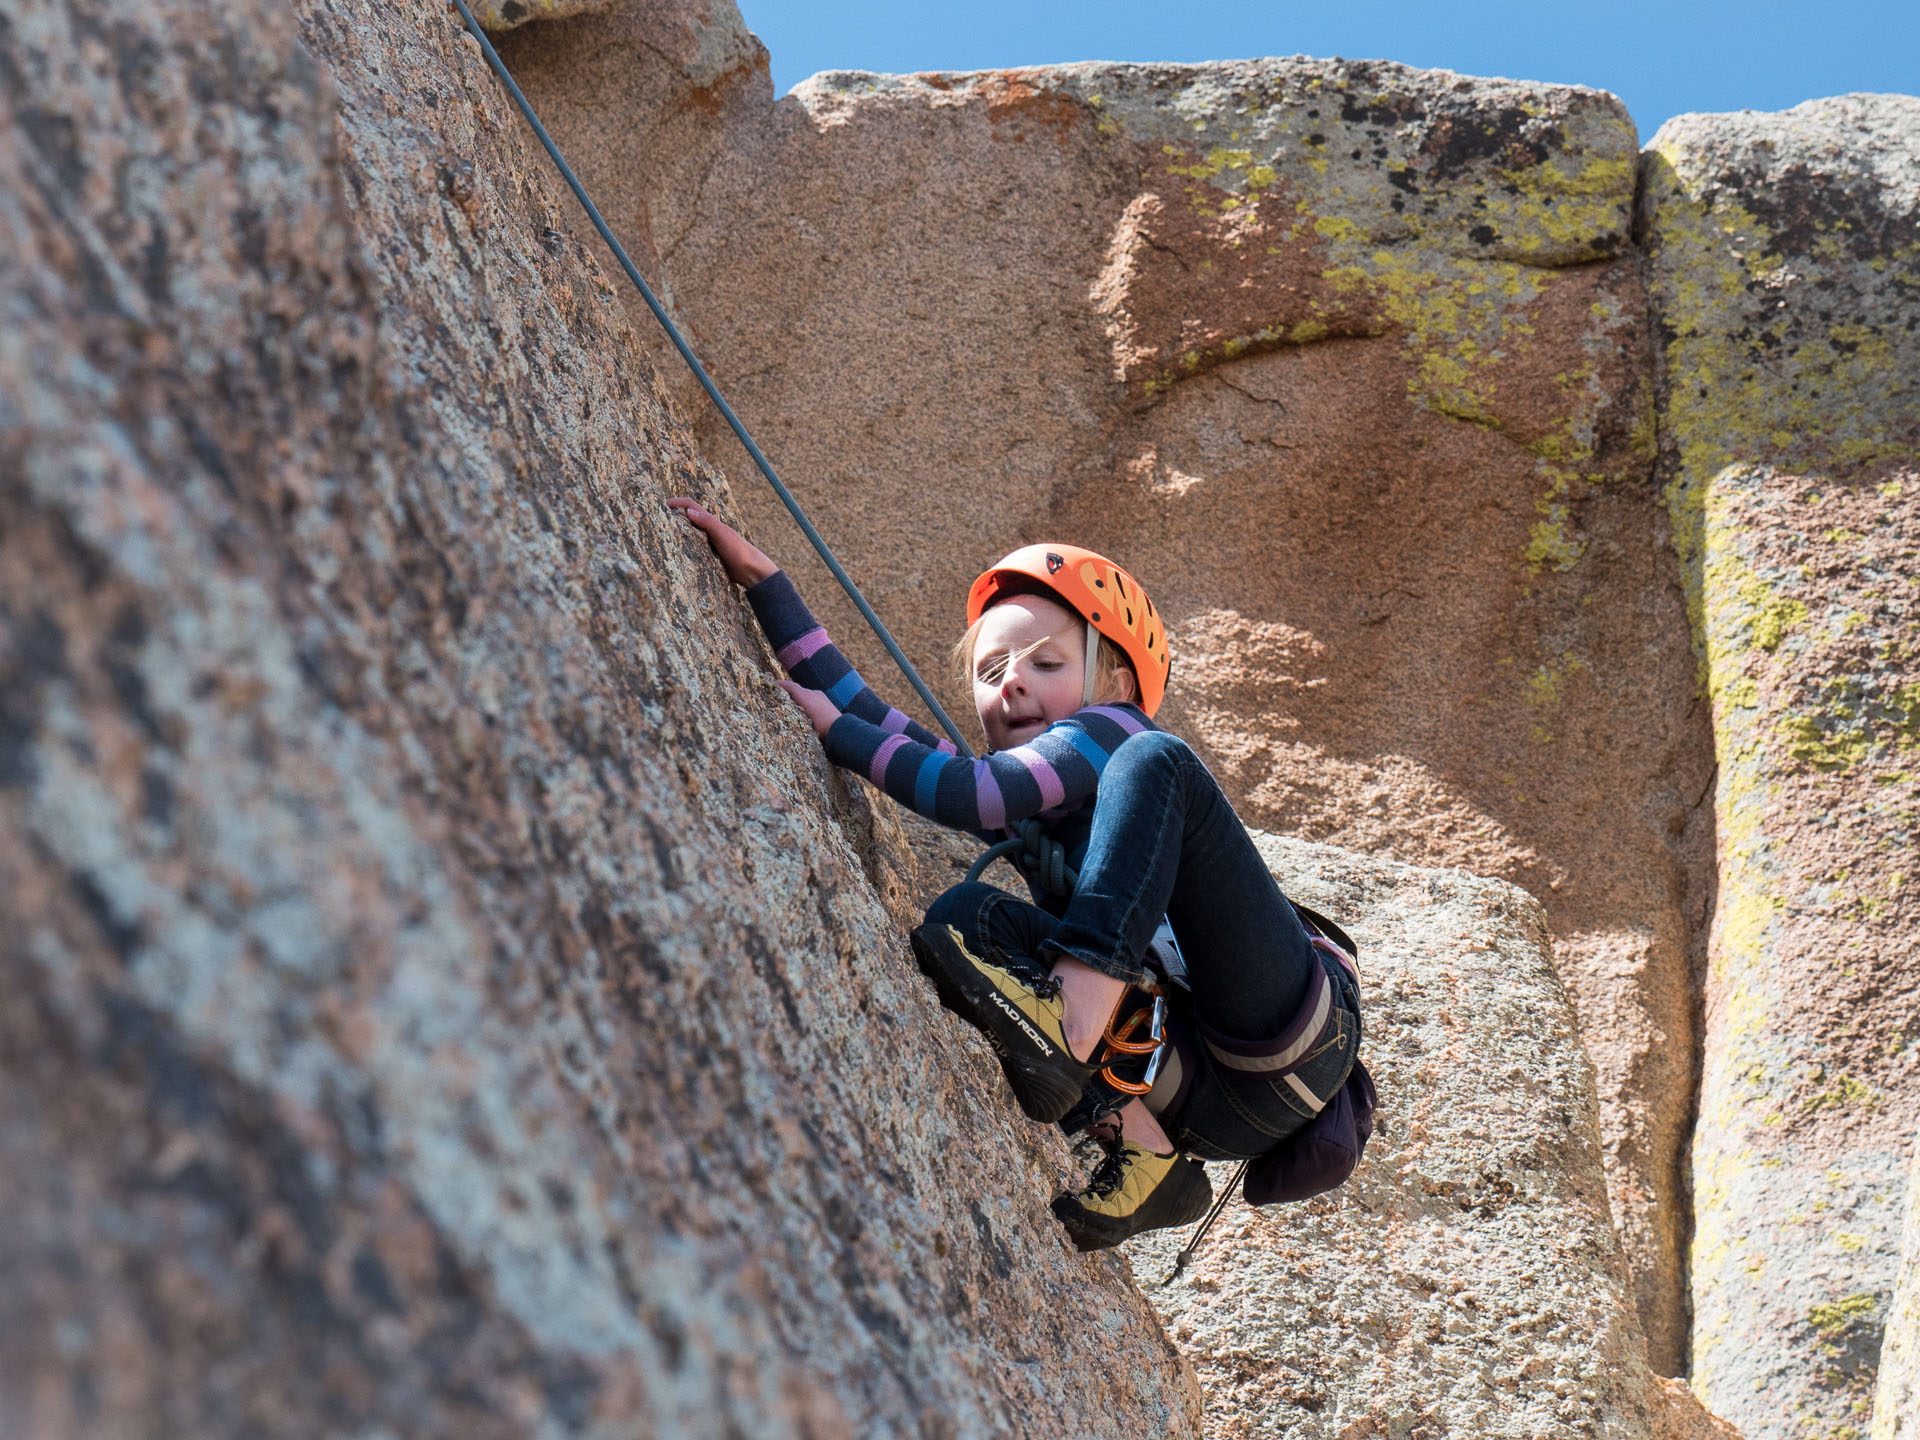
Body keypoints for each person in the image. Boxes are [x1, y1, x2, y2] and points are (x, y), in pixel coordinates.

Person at [668, 497, 1363, 1251]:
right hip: (1201, 1103)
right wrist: (765, 585)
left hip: (1286, 1026)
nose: (1012, 683)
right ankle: (1142, 1148)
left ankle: (1073, 1020)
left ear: (1117, 686)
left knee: (1157, 762)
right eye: (991, 670)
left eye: (1046, 663)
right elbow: (875, 718)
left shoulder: (1119, 729)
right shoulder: (1028, 806)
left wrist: (838, 736)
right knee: (965, 919)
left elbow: (956, 784)